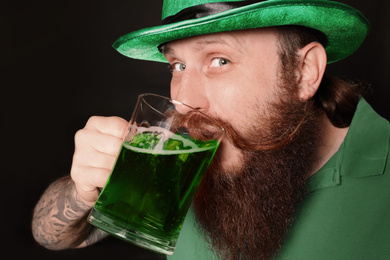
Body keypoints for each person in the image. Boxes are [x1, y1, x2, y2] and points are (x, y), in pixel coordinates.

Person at [32, 0, 390, 259]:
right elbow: (52, 238)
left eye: (220, 60)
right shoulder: (181, 160)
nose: (184, 102)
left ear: (304, 72)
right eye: (178, 64)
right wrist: (82, 191)